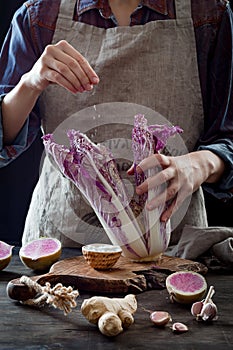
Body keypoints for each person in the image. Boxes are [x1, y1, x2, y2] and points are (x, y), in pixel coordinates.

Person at [0, 0, 232, 250]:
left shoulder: (208, 15)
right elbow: (5, 139)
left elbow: (228, 137)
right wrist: (31, 83)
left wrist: (200, 164)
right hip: (62, 245)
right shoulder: (38, 16)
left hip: (173, 247)